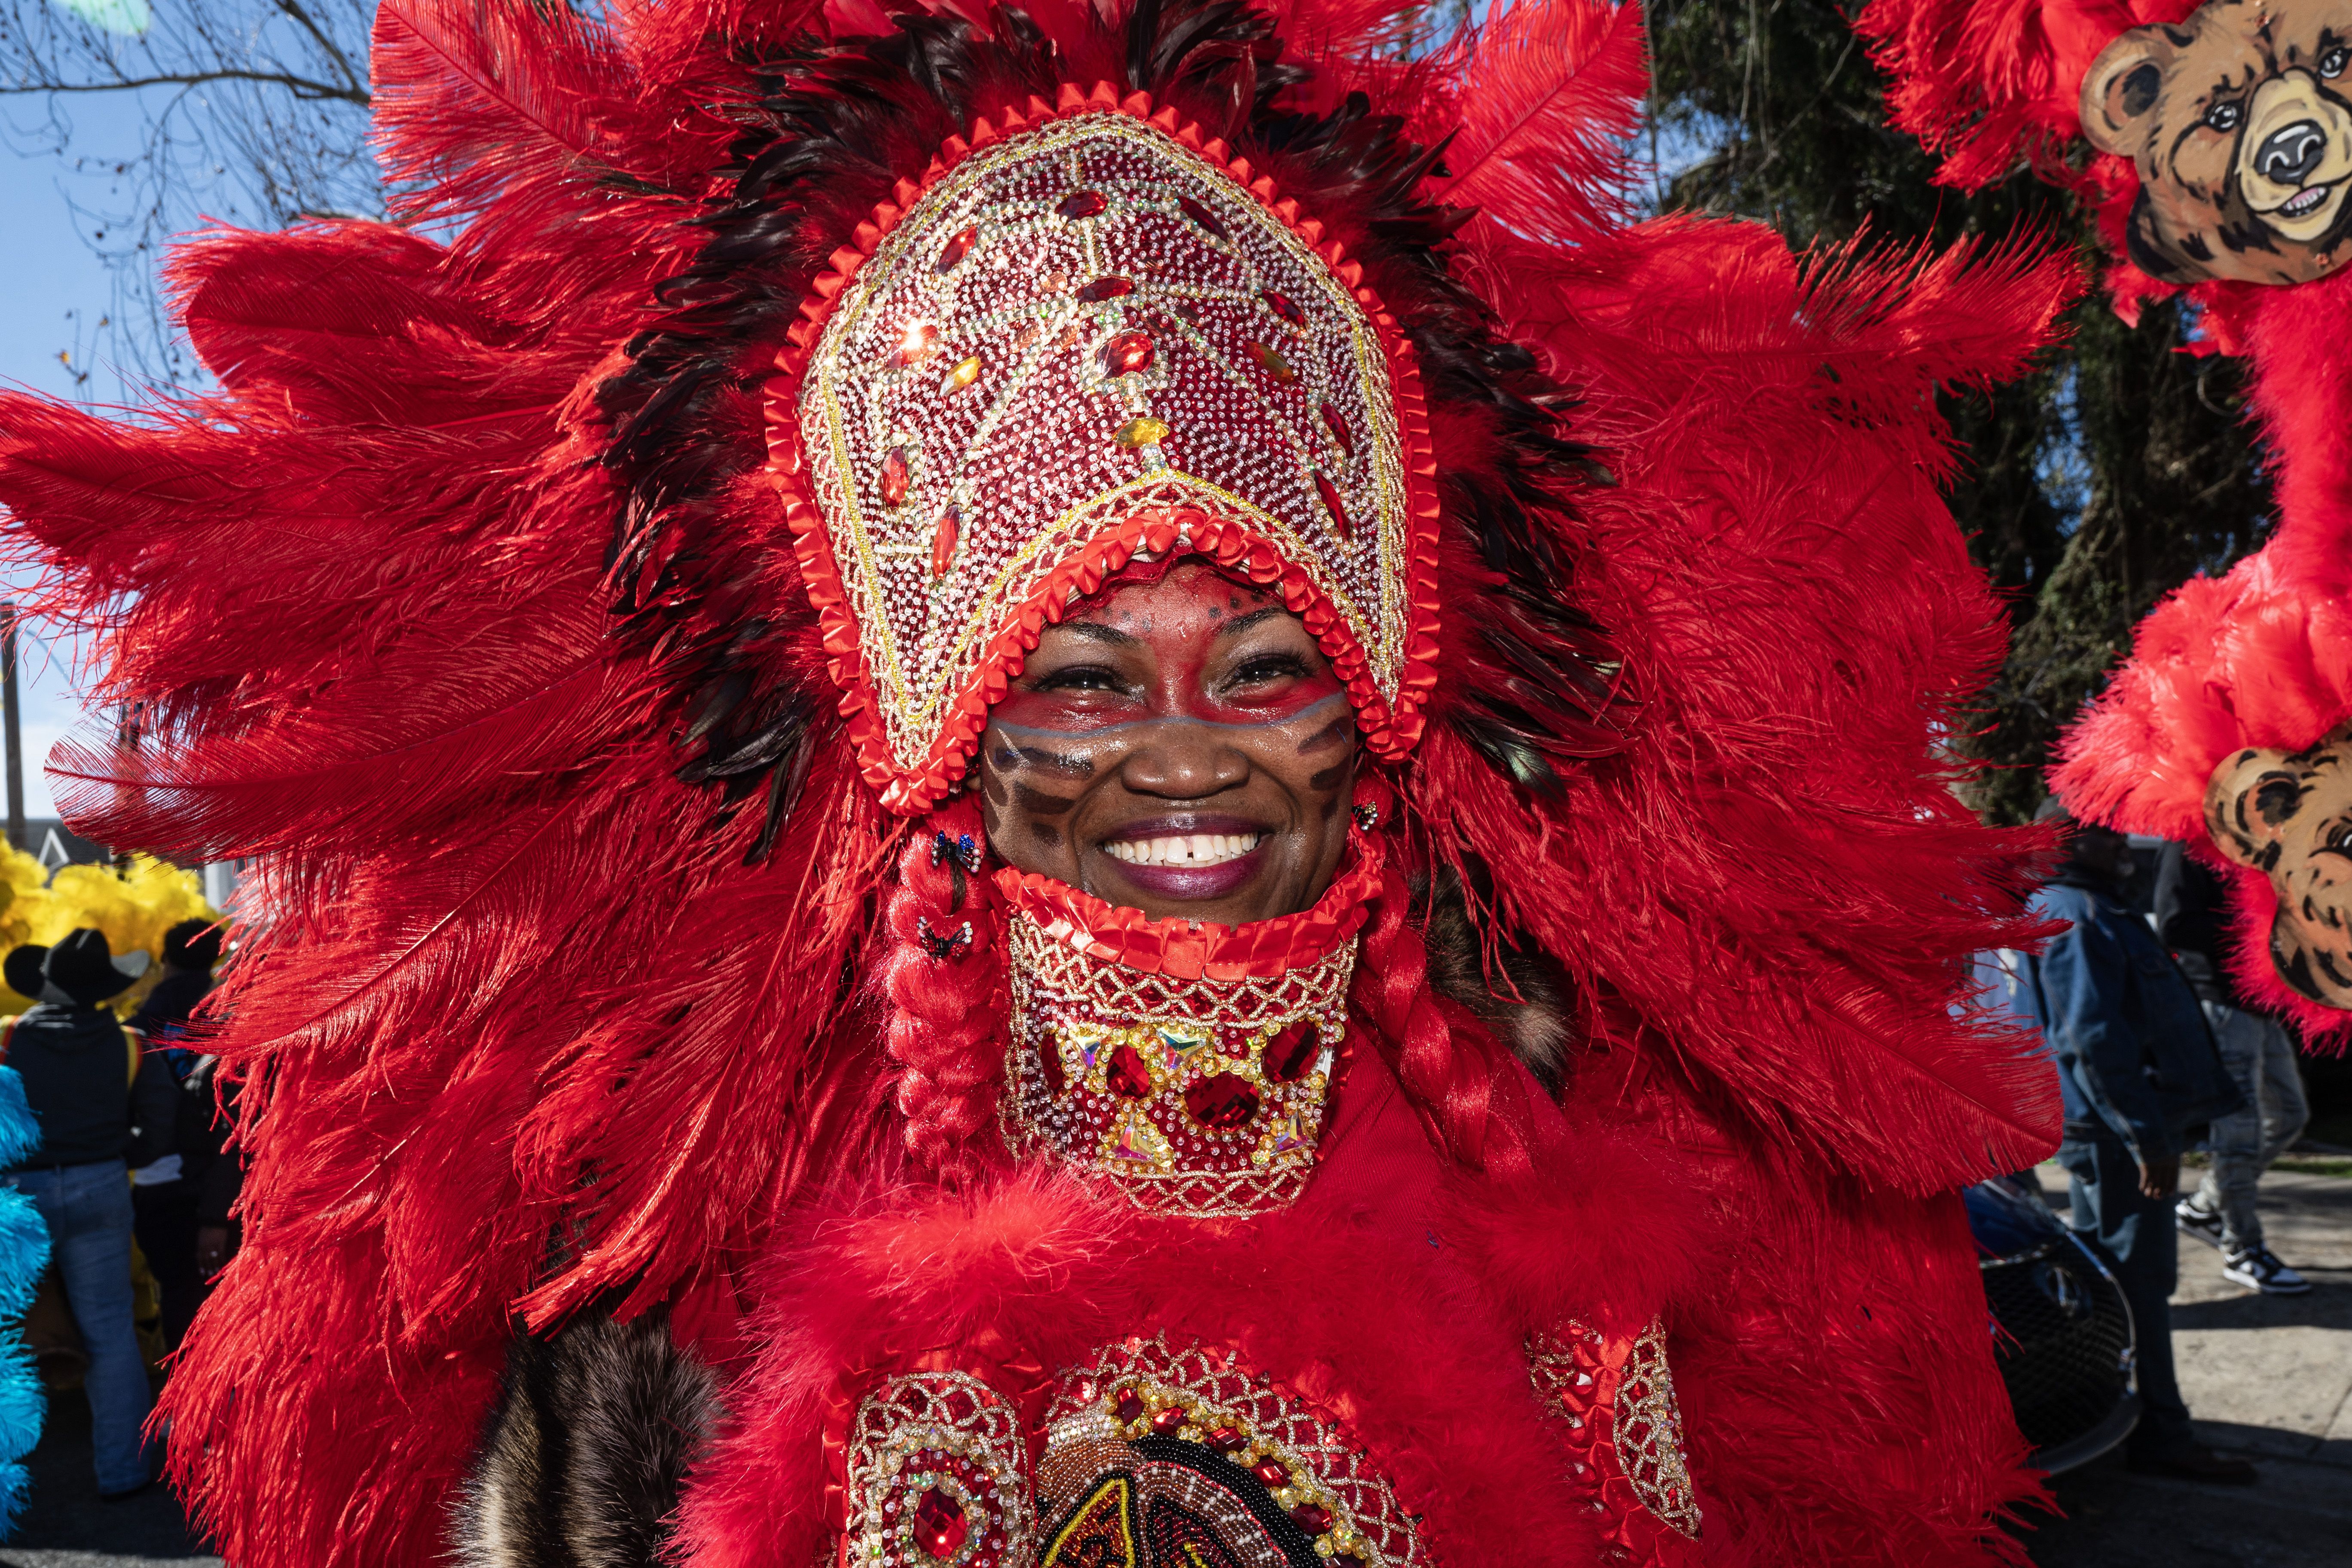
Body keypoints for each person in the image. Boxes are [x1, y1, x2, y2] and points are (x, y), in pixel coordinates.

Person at [0, 3, 2081, 1564]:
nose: (1183, 747)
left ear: (1370, 710)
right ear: (943, 751)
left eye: (1261, 665)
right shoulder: (669, 1303)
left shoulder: (1565, 1183)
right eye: (1077, 682)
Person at [2010, 804, 2251, 1482]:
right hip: (2118, 1139)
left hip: (2112, 1130)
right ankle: (2160, 1438)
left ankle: (2122, 1422)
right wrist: (2147, 1140)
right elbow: (2090, 1041)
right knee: (2138, 1286)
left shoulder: (2081, 907)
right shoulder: (2080, 916)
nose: (2120, 842)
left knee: (2118, 1281)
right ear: (2065, 839)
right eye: (2104, 831)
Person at [0, 929, 174, 1498]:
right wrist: (122, 1154)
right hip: (100, 1185)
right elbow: (160, 1124)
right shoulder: (129, 1044)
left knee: (8, 1332)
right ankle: (123, 1471)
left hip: (21, 1194)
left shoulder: (9, 1038)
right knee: (110, 1332)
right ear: (106, 986)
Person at [2153, 842, 2314, 1295]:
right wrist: (2260, 923)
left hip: (2260, 1004)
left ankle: (2204, 1206)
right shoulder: (2187, 844)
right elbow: (2173, 924)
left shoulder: (2258, 841)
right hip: (2220, 1006)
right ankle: (2242, 1246)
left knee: (2287, 1116)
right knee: (2237, 1135)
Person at [128, 918, 227, 1349]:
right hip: (226, 1180)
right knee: (229, 1299)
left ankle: (181, 1402)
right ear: (219, 955)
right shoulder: (235, 1014)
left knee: (176, 1294)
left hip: (160, 1179)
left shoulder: (136, 1026)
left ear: (165, 959)